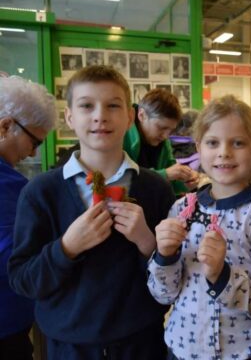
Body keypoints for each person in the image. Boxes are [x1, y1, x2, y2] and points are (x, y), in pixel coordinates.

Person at [8, 65, 176, 360]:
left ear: (130, 117)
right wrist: (66, 248)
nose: (100, 116)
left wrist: (147, 242)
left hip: (141, 344)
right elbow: (23, 279)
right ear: (70, 117)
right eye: (87, 106)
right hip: (68, 347)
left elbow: (176, 279)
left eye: (113, 105)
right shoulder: (40, 193)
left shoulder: (156, 189)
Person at [147, 95, 251, 360]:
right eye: (213, 143)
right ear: (199, 147)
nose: (224, 152)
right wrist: (164, 256)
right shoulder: (181, 210)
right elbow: (163, 294)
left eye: (238, 143)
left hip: (242, 353)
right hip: (181, 349)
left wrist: (222, 275)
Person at [0, 76, 55, 360]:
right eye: (34, 142)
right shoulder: (9, 187)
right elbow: (16, 258)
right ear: (5, 126)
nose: (33, 152)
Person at [123, 88, 199, 196]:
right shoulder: (122, 135)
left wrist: (185, 183)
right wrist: (164, 175)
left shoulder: (164, 143)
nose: (166, 136)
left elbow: (169, 185)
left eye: (171, 130)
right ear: (141, 115)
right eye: (161, 128)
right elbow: (121, 179)